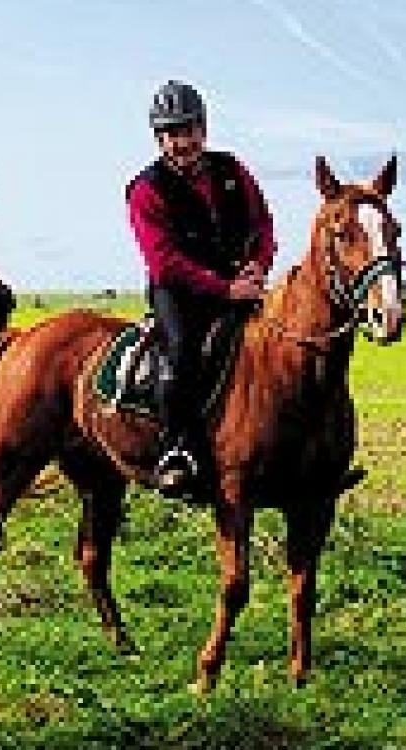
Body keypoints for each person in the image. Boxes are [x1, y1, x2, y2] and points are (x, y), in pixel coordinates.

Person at [126, 80, 277, 496]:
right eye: (171, 134)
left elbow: (262, 223)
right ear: (159, 139)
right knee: (181, 353)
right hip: (180, 293)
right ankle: (177, 449)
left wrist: (258, 266)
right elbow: (164, 262)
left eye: (188, 130)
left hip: (240, 282)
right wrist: (225, 290)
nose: (182, 142)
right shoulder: (146, 190)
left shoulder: (232, 170)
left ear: (203, 130)